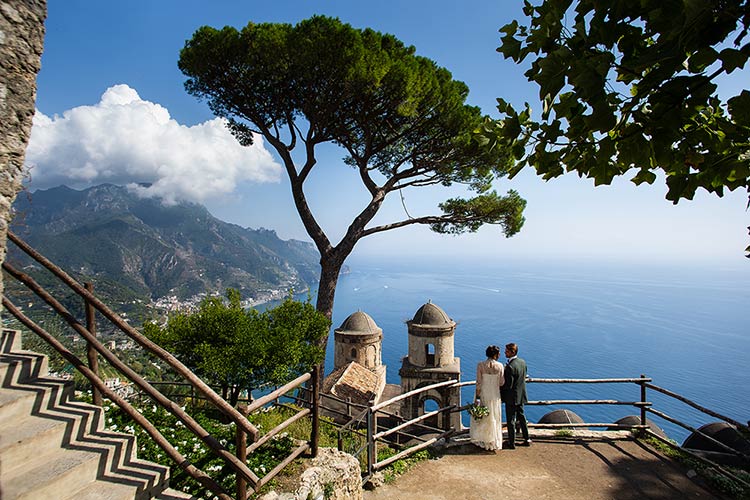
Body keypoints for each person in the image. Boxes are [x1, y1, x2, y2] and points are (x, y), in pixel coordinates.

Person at [470, 345, 505, 451]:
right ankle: (492, 440)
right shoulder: (500, 366)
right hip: (494, 394)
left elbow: (478, 383)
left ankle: (482, 439)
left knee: (483, 417)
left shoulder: (480, 365)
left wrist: (477, 396)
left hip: (484, 393)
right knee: (493, 416)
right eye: (498, 353)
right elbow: (501, 382)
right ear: (495, 354)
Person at [501, 342, 530, 449]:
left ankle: (511, 442)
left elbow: (508, 385)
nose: (505, 352)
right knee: (522, 417)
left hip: (511, 398)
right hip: (521, 395)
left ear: (512, 352)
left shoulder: (510, 367)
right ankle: (527, 438)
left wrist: (501, 393)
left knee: (511, 420)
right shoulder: (522, 362)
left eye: (507, 351)